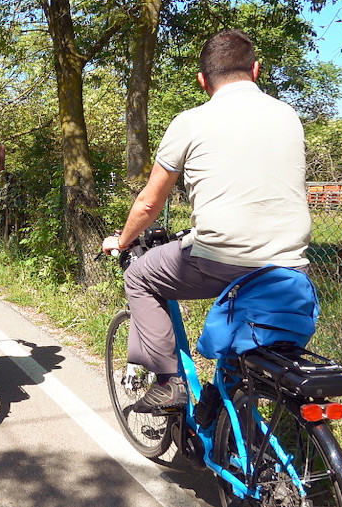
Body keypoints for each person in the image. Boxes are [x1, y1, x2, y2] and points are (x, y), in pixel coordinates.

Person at [101, 29, 311, 414]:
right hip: (290, 266)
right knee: (242, 323)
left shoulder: (191, 121)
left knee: (140, 277)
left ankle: (168, 382)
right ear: (256, 69)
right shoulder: (289, 115)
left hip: (222, 259)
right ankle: (227, 408)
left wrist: (123, 240)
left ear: (202, 81)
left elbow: (149, 204)